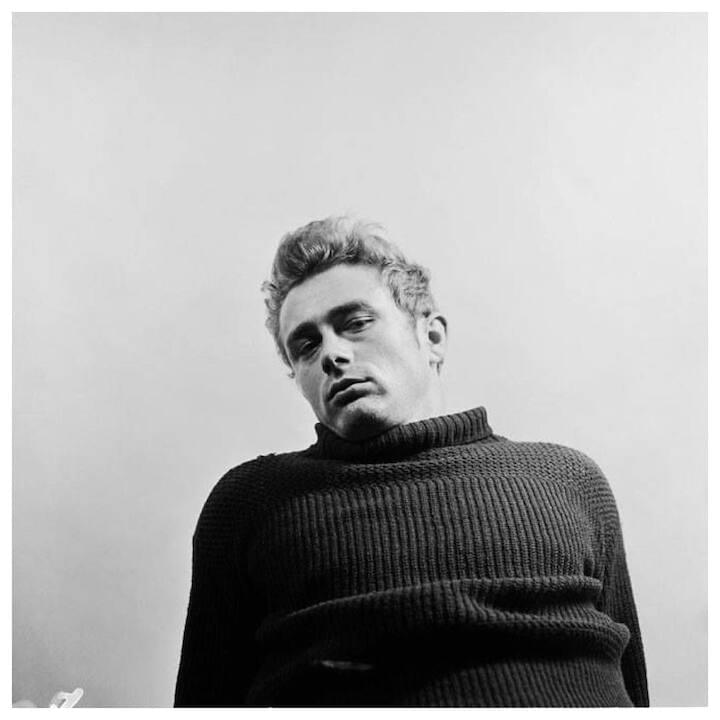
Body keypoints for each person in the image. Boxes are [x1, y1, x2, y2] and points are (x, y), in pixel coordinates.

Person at [174, 216, 649, 707]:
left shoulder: (567, 480)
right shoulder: (255, 502)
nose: (332, 354)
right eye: (306, 345)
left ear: (432, 337)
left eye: (355, 323)